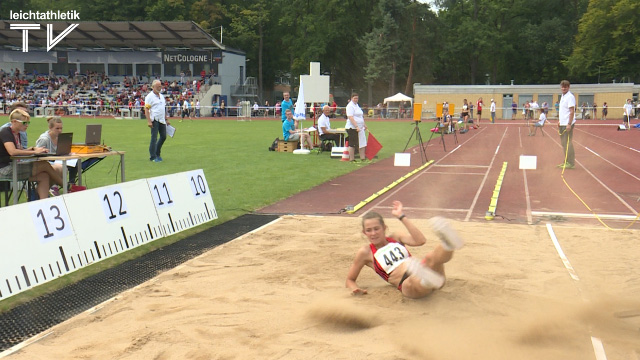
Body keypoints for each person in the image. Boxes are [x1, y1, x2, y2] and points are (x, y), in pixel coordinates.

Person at [345, 201, 464, 299]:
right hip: (407, 283)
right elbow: (350, 280)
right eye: (369, 230)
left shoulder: (395, 237)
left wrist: (401, 217)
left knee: (430, 258)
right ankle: (426, 280)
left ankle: (448, 245)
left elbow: (420, 241)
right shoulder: (365, 252)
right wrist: (354, 288)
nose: (373, 233)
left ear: (384, 228)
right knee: (414, 279)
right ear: (364, 232)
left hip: (432, 276)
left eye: (377, 229)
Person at [0, 109, 63, 200]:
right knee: (44, 165)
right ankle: (66, 186)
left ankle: (43, 203)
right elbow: (12, 152)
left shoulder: (17, 133)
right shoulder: (5, 132)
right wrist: (34, 152)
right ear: (14, 122)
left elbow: (20, 150)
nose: (27, 125)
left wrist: (33, 148)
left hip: (14, 166)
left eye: (28, 122)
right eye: (24, 122)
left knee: (44, 176)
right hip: (5, 169)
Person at [145, 79, 170, 162]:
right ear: (153, 87)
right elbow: (146, 109)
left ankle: (157, 153)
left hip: (162, 119)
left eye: (160, 86)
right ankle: (153, 156)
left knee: (163, 136)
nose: (159, 88)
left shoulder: (161, 96)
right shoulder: (149, 97)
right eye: (158, 86)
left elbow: (163, 108)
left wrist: (166, 119)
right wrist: (149, 121)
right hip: (154, 119)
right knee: (154, 137)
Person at [558, 80, 576, 169]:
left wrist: (569, 124)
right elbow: (563, 110)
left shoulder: (570, 97)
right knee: (563, 143)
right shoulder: (562, 96)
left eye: (565, 87)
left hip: (567, 124)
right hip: (562, 123)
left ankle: (571, 162)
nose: (563, 88)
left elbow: (571, 111)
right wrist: (560, 121)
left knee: (568, 143)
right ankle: (566, 160)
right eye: (562, 86)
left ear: (568, 87)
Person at [345, 93, 367, 162]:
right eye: (354, 98)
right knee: (353, 143)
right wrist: (356, 126)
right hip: (352, 127)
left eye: (357, 98)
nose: (356, 99)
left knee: (362, 142)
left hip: (360, 127)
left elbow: (360, 116)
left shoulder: (357, 105)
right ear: (351, 98)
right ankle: (352, 159)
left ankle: (362, 158)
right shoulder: (350, 106)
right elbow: (350, 117)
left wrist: (364, 124)